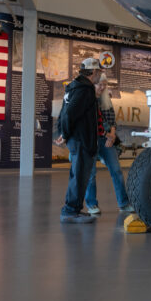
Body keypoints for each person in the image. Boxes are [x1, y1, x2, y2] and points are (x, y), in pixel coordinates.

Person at [56, 58, 104, 224]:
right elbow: (69, 113)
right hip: (82, 140)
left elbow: (64, 111)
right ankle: (70, 211)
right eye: (99, 72)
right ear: (93, 72)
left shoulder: (73, 87)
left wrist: (63, 131)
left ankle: (72, 209)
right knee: (80, 176)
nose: (100, 75)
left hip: (76, 139)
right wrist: (66, 133)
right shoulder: (85, 89)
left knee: (77, 175)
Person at [84, 73, 133, 214]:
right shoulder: (87, 99)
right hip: (93, 139)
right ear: (93, 84)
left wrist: (111, 134)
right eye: (100, 84)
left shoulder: (106, 99)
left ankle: (123, 203)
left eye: (105, 84)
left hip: (107, 140)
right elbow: (92, 122)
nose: (103, 87)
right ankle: (92, 204)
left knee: (116, 170)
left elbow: (112, 119)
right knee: (91, 173)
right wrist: (108, 134)